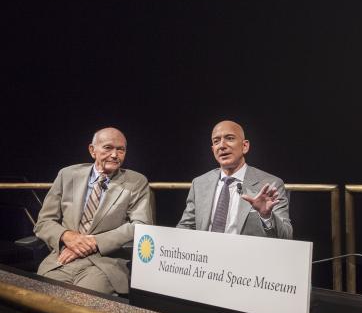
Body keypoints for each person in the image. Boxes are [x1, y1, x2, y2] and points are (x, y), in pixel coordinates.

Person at [34, 127, 153, 295]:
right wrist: (68, 236)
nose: (114, 154)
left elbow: (140, 224)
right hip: (63, 258)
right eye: (108, 148)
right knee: (44, 298)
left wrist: (93, 242)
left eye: (121, 149)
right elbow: (44, 222)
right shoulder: (67, 175)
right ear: (92, 150)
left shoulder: (136, 182)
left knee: (82, 303)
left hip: (104, 263)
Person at [177, 120, 292, 239]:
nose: (222, 146)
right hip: (206, 254)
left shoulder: (270, 184)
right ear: (213, 150)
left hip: (246, 256)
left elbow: (287, 236)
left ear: (245, 146)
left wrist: (266, 216)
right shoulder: (199, 183)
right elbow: (186, 226)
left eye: (230, 138)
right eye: (216, 141)